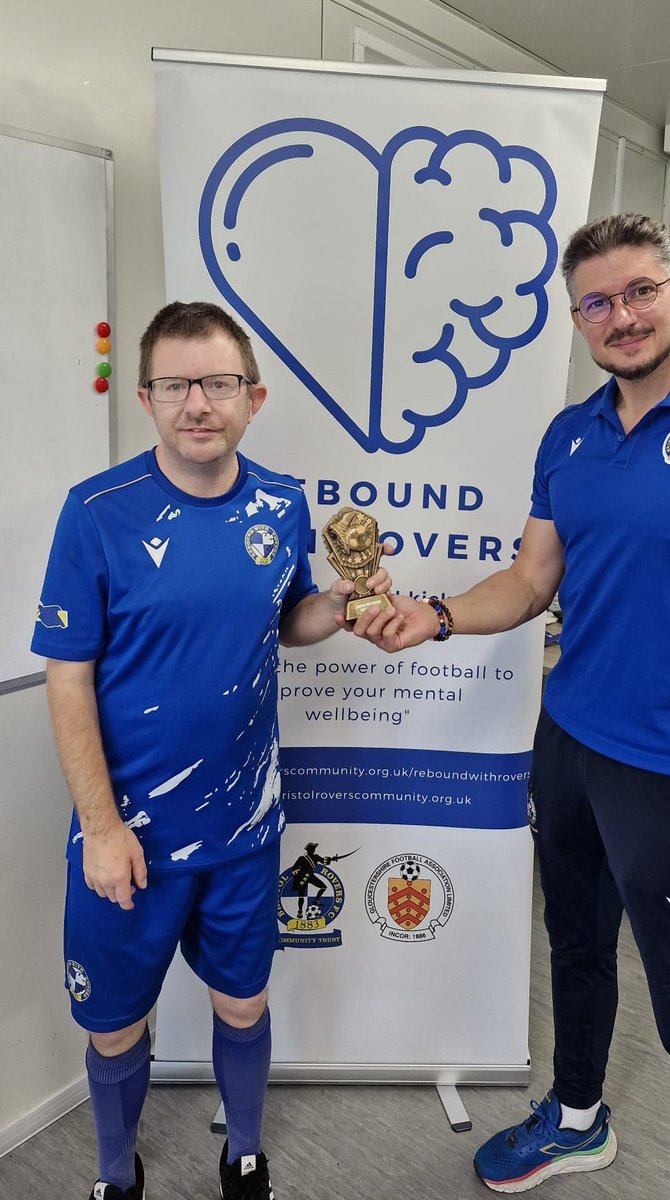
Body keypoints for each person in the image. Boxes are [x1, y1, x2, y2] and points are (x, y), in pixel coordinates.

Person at [358, 214, 670, 1199]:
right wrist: (434, 615)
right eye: (595, 302)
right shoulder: (569, 435)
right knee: (575, 946)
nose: (619, 316)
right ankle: (577, 1121)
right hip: (569, 741)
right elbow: (530, 580)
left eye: (637, 292)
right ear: (576, 318)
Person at [32, 301, 396, 1200]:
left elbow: (287, 620)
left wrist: (339, 604)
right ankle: (115, 1174)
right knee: (116, 1023)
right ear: (147, 399)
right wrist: (101, 827)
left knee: (243, 1001)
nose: (198, 403)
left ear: (253, 397)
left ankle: (244, 1154)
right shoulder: (97, 512)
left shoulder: (281, 502)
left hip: (243, 827)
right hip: (129, 837)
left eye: (219, 383)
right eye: (175, 384)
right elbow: (67, 678)